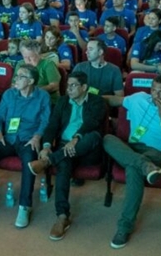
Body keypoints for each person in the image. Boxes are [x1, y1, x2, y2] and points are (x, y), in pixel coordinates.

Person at [103, 73, 161, 249]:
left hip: (159, 155)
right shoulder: (138, 98)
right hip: (134, 148)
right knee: (107, 139)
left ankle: (124, 227)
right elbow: (113, 100)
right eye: (153, 90)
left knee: (133, 169)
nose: (156, 95)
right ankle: (145, 166)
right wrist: (90, 97)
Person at [30, 71, 106, 241]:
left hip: (87, 150)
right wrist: (47, 146)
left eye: (73, 85)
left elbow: (92, 122)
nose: (69, 89)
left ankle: (48, 161)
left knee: (93, 136)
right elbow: (53, 125)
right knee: (64, 164)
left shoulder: (96, 101)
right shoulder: (64, 101)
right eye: (68, 85)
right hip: (65, 149)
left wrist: (76, 138)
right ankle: (62, 216)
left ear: (84, 87)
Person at [0, 64, 51, 229]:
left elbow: (46, 121)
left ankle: (25, 205)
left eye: (20, 76)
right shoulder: (9, 94)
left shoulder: (42, 96)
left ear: (30, 81)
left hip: (28, 139)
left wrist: (37, 137)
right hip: (7, 138)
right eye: (16, 75)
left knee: (29, 161)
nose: (15, 79)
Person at [72, 38, 124, 108]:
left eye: (90, 49)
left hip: (104, 108)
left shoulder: (114, 70)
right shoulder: (79, 67)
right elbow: (70, 91)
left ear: (100, 52)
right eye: (87, 49)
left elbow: (119, 98)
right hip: (80, 107)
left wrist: (97, 99)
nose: (86, 52)